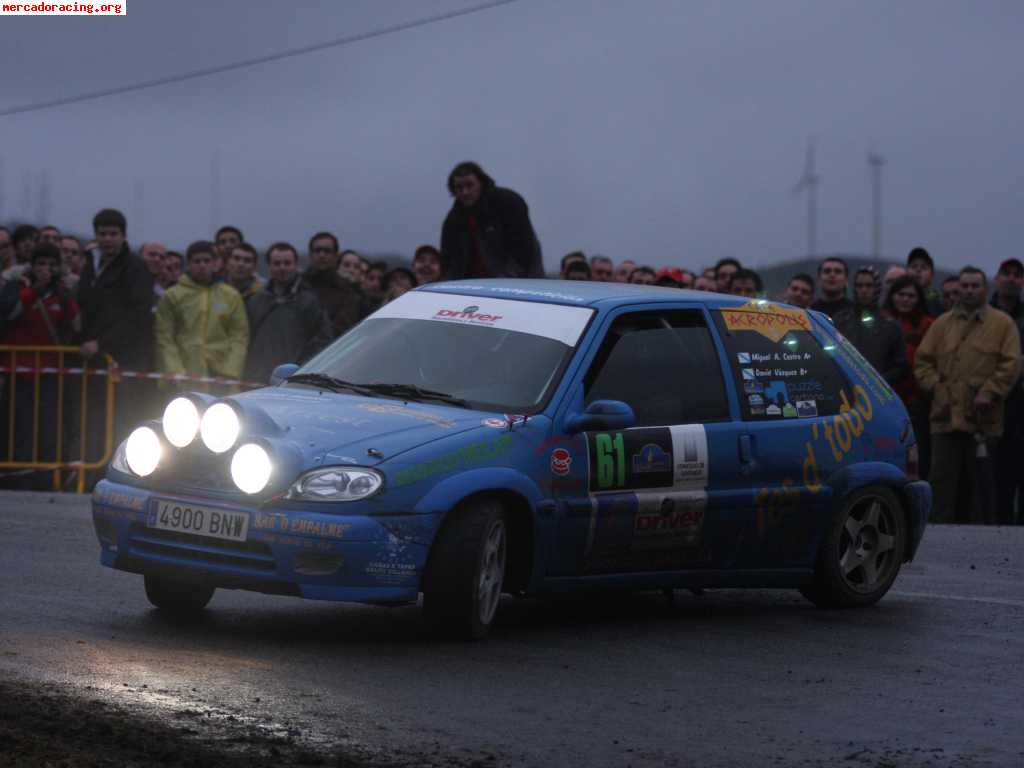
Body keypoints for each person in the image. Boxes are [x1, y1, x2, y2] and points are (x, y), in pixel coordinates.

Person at [915, 266, 1021, 524]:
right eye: (965, 286)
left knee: (982, 486)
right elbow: (922, 362)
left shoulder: (1002, 324)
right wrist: (936, 388)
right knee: (941, 482)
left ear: (985, 289)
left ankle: (981, 542)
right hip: (945, 416)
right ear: (957, 288)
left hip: (982, 418)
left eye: (975, 286)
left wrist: (990, 391)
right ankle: (937, 535)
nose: (970, 291)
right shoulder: (942, 324)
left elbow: (1011, 364)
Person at [0, 243, 80, 487]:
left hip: (49, 373)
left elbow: (76, 326)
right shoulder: (17, 287)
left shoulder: (62, 294)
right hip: (17, 371)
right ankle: (15, 475)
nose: (46, 269)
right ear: (32, 266)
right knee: (17, 425)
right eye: (41, 264)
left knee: (47, 426)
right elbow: (8, 312)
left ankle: (46, 476)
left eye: (51, 264)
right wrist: (35, 290)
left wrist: (66, 294)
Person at [77, 208, 154, 454]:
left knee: (122, 423)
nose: (107, 239)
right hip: (95, 361)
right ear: (95, 235)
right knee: (93, 422)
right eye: (103, 234)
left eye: (113, 234)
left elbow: (137, 317)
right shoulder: (90, 264)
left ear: (123, 235)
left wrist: (102, 344)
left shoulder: (136, 268)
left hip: (126, 360)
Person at [154, 241, 249, 390]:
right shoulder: (172, 295)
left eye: (207, 260)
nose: (202, 265)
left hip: (221, 378)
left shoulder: (230, 295)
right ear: (189, 264)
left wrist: (230, 371)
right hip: (184, 377)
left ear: (215, 263)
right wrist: (175, 370)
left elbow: (239, 337)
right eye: (197, 261)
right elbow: (165, 338)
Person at [244, 242, 332, 384]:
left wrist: (303, 368)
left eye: (287, 263)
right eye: (277, 263)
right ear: (269, 266)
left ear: (295, 265)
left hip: (293, 378)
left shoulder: (309, 301)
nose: (282, 268)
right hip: (257, 378)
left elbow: (322, 340)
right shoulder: (255, 300)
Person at [440, 161, 544, 279]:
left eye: (470, 185)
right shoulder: (452, 222)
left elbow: (523, 249)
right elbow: (449, 263)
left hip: (520, 283)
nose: (465, 192)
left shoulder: (508, 202)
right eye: (459, 187)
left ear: (481, 183)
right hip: (472, 288)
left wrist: (509, 281)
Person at [882, 275, 934, 479]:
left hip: (918, 400)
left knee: (920, 457)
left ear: (918, 298)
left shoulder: (929, 325)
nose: (905, 299)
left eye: (911, 295)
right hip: (889, 399)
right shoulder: (881, 322)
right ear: (892, 296)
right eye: (901, 294)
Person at [989, 258, 1024, 524]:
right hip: (988, 403)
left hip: (1020, 406)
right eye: (1007, 273)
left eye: (1017, 275)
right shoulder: (983, 315)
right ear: (997, 278)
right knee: (992, 475)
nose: (1012, 279)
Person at [833, 267, 908, 388]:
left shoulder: (890, 324)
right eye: (859, 285)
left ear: (876, 288)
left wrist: (879, 382)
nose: (864, 290)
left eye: (869, 286)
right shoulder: (841, 320)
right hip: (845, 388)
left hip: (879, 394)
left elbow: (900, 365)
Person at [301, 231, 363, 337]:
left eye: (327, 251)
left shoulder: (347, 291)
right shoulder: (297, 286)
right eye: (317, 250)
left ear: (335, 256)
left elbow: (343, 328)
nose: (322, 255)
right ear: (311, 255)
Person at [906, 247, 943, 316]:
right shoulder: (899, 300)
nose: (918, 270)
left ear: (931, 275)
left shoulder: (939, 303)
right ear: (906, 272)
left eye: (924, 267)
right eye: (914, 266)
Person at [138, 242, 168, 308]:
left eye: (162, 257)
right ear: (139, 256)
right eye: (152, 254)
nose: (157, 259)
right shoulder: (121, 284)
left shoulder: (165, 298)